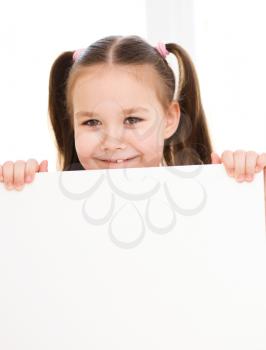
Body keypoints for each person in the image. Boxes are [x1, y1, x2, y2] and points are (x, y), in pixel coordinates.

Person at [0, 35, 265, 210]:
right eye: (92, 122)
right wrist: (20, 198)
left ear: (169, 119)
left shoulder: (207, 200)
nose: (112, 141)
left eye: (132, 119)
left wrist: (247, 193)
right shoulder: (52, 207)